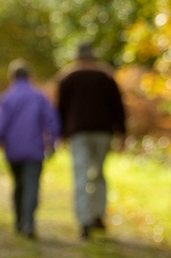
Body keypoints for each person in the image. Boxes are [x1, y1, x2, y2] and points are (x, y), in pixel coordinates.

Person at [57, 42, 126, 239]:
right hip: (103, 132)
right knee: (98, 173)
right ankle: (97, 215)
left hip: (78, 133)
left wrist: (61, 134)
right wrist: (122, 132)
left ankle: (84, 220)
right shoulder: (106, 76)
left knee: (81, 174)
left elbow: (60, 109)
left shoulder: (67, 78)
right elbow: (118, 106)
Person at [0, 59, 60, 239]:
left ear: (11, 77)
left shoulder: (7, 97)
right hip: (34, 150)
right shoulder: (39, 96)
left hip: (13, 151)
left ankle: (19, 221)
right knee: (32, 186)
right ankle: (29, 222)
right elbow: (52, 121)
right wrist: (52, 142)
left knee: (18, 185)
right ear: (29, 75)